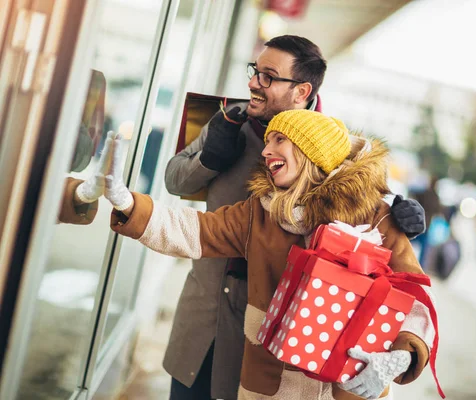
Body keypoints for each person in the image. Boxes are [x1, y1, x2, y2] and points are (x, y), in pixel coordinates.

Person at [96, 109, 436, 400]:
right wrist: (127, 202)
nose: (265, 151)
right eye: (268, 140)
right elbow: (193, 230)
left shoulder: (377, 217)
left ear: (309, 152)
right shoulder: (261, 212)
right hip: (268, 385)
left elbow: (414, 299)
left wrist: (401, 358)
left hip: (345, 384)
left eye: (279, 141)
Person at [163, 35, 426, 399]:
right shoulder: (225, 119)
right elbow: (173, 180)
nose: (254, 82)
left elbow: (367, 208)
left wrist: (401, 214)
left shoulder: (331, 146)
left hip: (275, 327)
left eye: (269, 76)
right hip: (205, 309)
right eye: (256, 71)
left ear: (302, 91)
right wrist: (209, 158)